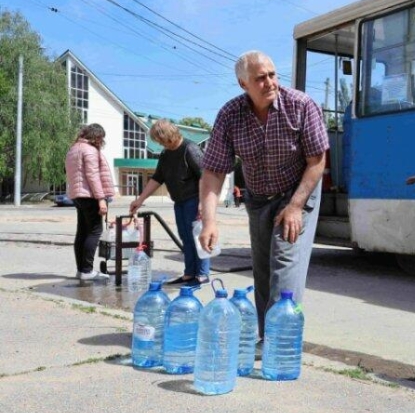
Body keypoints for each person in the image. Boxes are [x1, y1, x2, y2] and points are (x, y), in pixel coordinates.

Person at [199, 50, 328, 346]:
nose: (270, 82)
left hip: (298, 191)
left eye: (272, 74)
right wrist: (209, 221)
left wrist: (296, 206)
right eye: (261, 78)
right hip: (258, 197)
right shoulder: (230, 115)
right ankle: (264, 336)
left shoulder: (301, 105)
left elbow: (317, 161)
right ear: (244, 84)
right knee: (263, 270)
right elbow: (214, 172)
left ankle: (279, 343)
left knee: (284, 264)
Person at [129, 119, 209, 285]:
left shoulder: (190, 149)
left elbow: (204, 175)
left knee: (197, 237)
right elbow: (158, 177)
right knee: (185, 237)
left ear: (169, 136)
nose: (160, 144)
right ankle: (189, 273)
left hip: (194, 200)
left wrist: (202, 202)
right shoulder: (166, 154)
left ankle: (202, 274)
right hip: (179, 201)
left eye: (161, 140)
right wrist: (140, 199)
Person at [65, 123, 115, 282]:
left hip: (77, 196)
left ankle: (81, 271)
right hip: (90, 196)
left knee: (82, 232)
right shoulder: (90, 150)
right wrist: (101, 199)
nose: (102, 141)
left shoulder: (73, 149)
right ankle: (87, 270)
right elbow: (92, 175)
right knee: (95, 231)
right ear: (97, 136)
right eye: (101, 138)